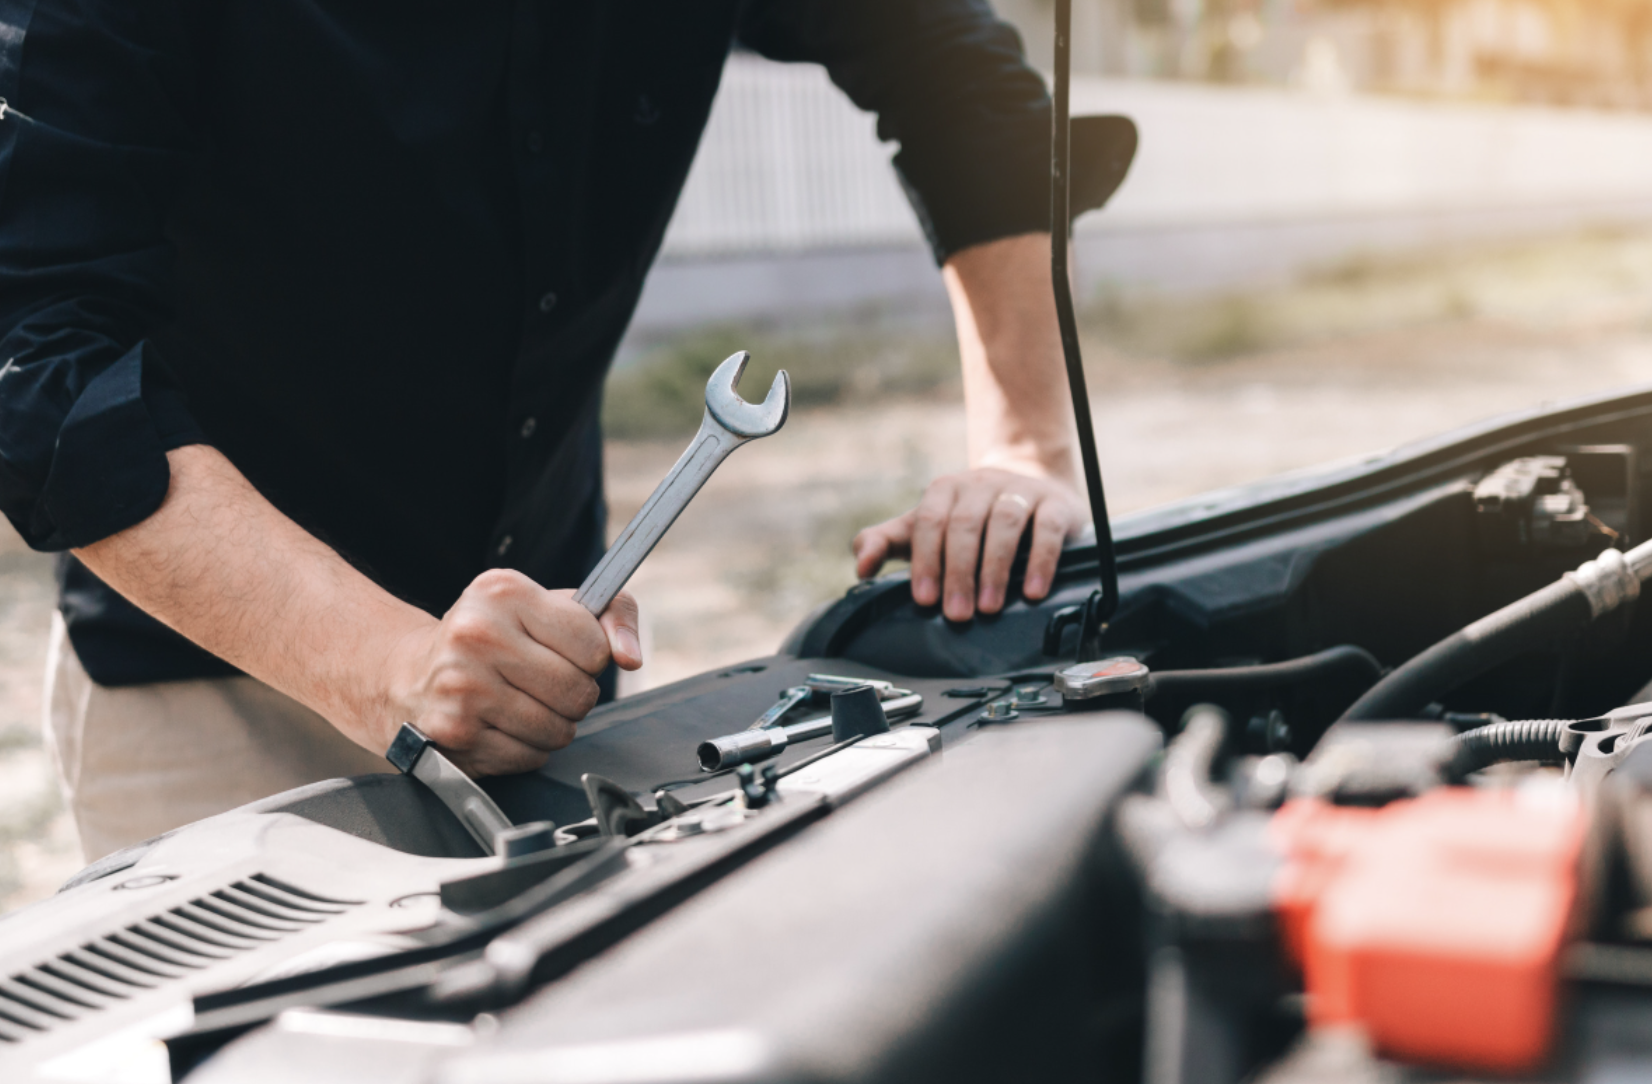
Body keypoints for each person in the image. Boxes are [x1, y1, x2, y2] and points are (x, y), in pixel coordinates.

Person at [0, 0, 1085, 861]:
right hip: (214, 688)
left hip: (551, 680)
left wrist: (1022, 449)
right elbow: (40, 352)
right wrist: (389, 663)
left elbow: (954, 72)